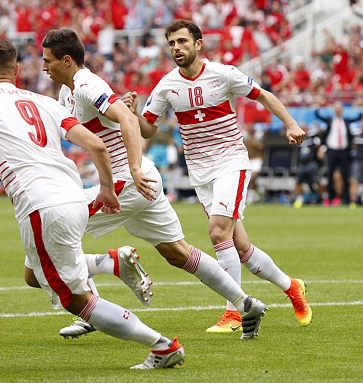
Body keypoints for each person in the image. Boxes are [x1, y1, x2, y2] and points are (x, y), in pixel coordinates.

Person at [0, 38, 185, 369]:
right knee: (33, 274)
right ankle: (111, 262)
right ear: (17, 69)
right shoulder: (45, 102)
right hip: (74, 196)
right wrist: (106, 188)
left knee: (75, 300)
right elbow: (96, 145)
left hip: (40, 204)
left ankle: (162, 345)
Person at [25, 28, 268, 340]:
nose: (44, 67)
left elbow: (127, 120)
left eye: (48, 61)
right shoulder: (67, 92)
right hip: (141, 181)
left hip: (128, 181)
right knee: (177, 252)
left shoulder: (87, 84)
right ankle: (245, 303)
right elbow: (113, 118)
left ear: (67, 60)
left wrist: (134, 167)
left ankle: (103, 280)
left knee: (52, 230)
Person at [124, 19, 312, 332]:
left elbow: (263, 95)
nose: (177, 48)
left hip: (231, 163)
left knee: (217, 233)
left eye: (182, 42)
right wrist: (133, 113)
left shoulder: (223, 74)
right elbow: (148, 129)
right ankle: (291, 286)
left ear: (198, 44)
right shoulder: (168, 85)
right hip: (200, 173)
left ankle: (235, 313)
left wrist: (290, 124)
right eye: (172, 43)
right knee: (240, 248)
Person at [315, 101, 363, 206]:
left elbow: (359, 117)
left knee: (345, 175)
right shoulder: (329, 120)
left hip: (344, 151)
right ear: (333, 109)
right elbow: (317, 115)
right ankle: (330, 197)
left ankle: (345, 198)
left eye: (340, 108)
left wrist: (359, 107)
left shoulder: (346, 121)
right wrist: (319, 105)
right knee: (330, 174)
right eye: (336, 108)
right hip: (332, 150)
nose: (338, 110)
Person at [292, 122, 323, 208]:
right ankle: (300, 198)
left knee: (317, 180)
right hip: (302, 163)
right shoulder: (298, 138)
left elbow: (319, 143)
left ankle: (321, 197)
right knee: (298, 182)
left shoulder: (312, 137)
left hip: (311, 163)